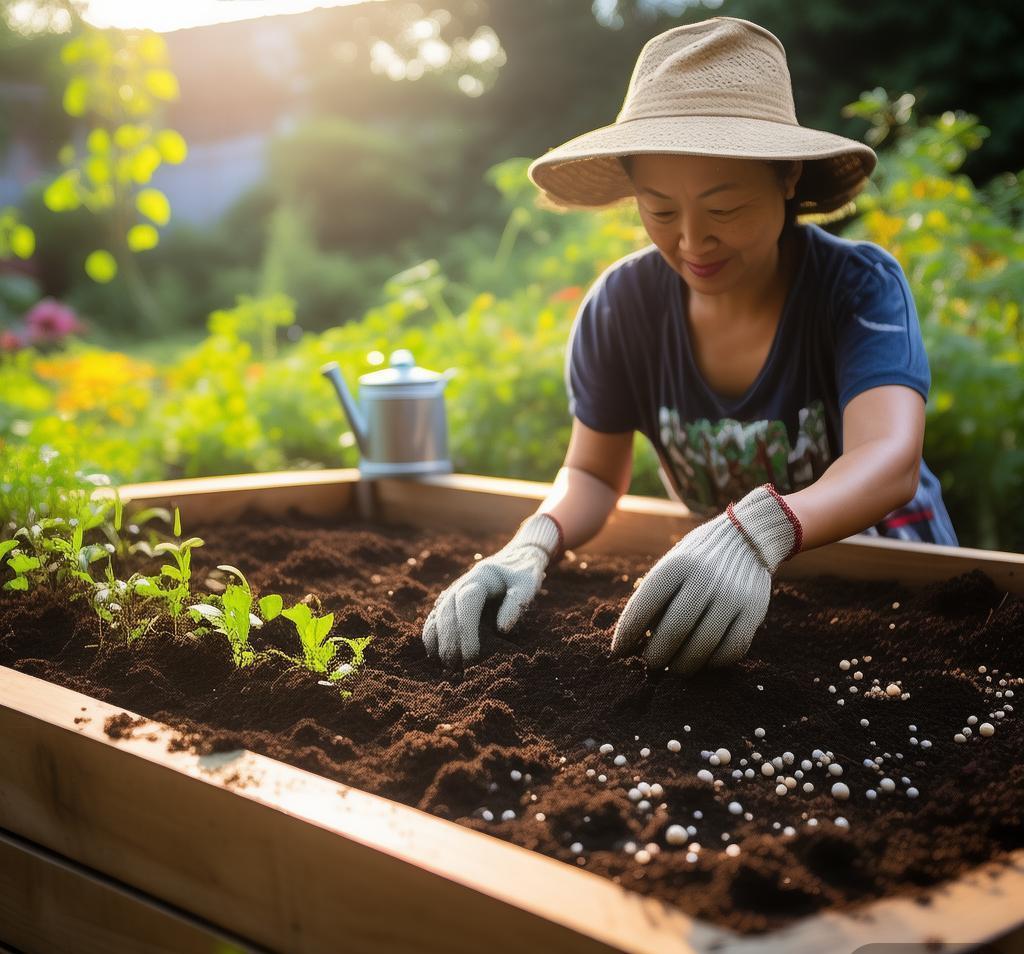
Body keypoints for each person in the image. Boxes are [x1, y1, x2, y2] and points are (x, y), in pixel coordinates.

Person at [421, 16, 958, 673]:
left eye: (724, 210)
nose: (693, 244)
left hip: (898, 590)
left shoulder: (855, 289)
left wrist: (757, 532)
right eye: (661, 212)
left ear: (788, 177)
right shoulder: (623, 308)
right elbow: (592, 472)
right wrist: (532, 543)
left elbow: (889, 457)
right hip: (731, 593)